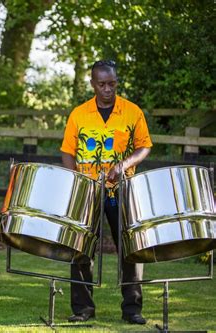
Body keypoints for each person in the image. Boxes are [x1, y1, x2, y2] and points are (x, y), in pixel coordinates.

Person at [60, 60, 152, 325]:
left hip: (120, 189)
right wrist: (77, 179)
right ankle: (83, 308)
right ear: (92, 84)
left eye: (112, 83)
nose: (108, 89)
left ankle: (132, 309)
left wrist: (123, 165)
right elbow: (67, 150)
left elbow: (144, 146)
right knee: (80, 248)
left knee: (130, 248)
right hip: (87, 190)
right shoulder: (79, 113)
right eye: (102, 84)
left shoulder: (132, 112)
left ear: (116, 82)